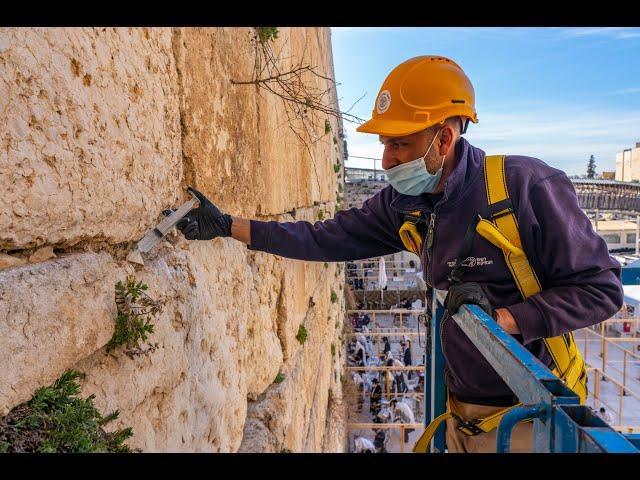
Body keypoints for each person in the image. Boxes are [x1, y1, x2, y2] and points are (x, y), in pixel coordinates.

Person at [173, 55, 623, 453]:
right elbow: (324, 238)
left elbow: (601, 291)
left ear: (444, 140)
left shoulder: (524, 188)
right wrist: (231, 227)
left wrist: (505, 319)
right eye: (384, 144)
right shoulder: (404, 206)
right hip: (460, 409)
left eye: (399, 143)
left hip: (532, 414)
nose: (386, 160)